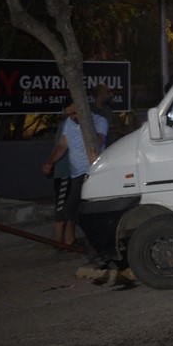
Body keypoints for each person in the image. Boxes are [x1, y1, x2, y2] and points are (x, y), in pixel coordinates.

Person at [41, 104, 109, 246]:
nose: (72, 117)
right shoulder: (69, 123)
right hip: (76, 173)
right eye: (69, 114)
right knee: (78, 209)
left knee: (70, 209)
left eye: (75, 113)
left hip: (90, 171)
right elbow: (62, 145)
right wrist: (50, 162)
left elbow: (98, 141)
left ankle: (99, 237)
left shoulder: (99, 121)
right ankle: (96, 238)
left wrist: (85, 123)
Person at [44, 106, 75, 245]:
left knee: (72, 205)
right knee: (62, 206)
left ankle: (69, 239)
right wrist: (50, 163)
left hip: (75, 172)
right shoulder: (66, 125)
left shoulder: (77, 124)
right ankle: (58, 240)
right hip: (65, 172)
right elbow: (61, 147)